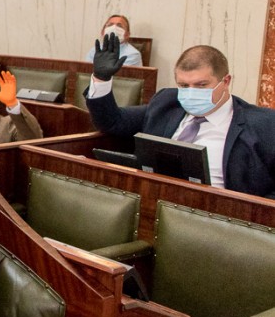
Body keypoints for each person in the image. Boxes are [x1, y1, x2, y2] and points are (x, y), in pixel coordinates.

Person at [86, 35, 275, 198]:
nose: (191, 92)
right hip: (153, 201)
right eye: (184, 86)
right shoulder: (166, 103)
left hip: (221, 215)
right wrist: (101, 79)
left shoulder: (264, 124)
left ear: (225, 81)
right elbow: (112, 122)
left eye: (201, 85)